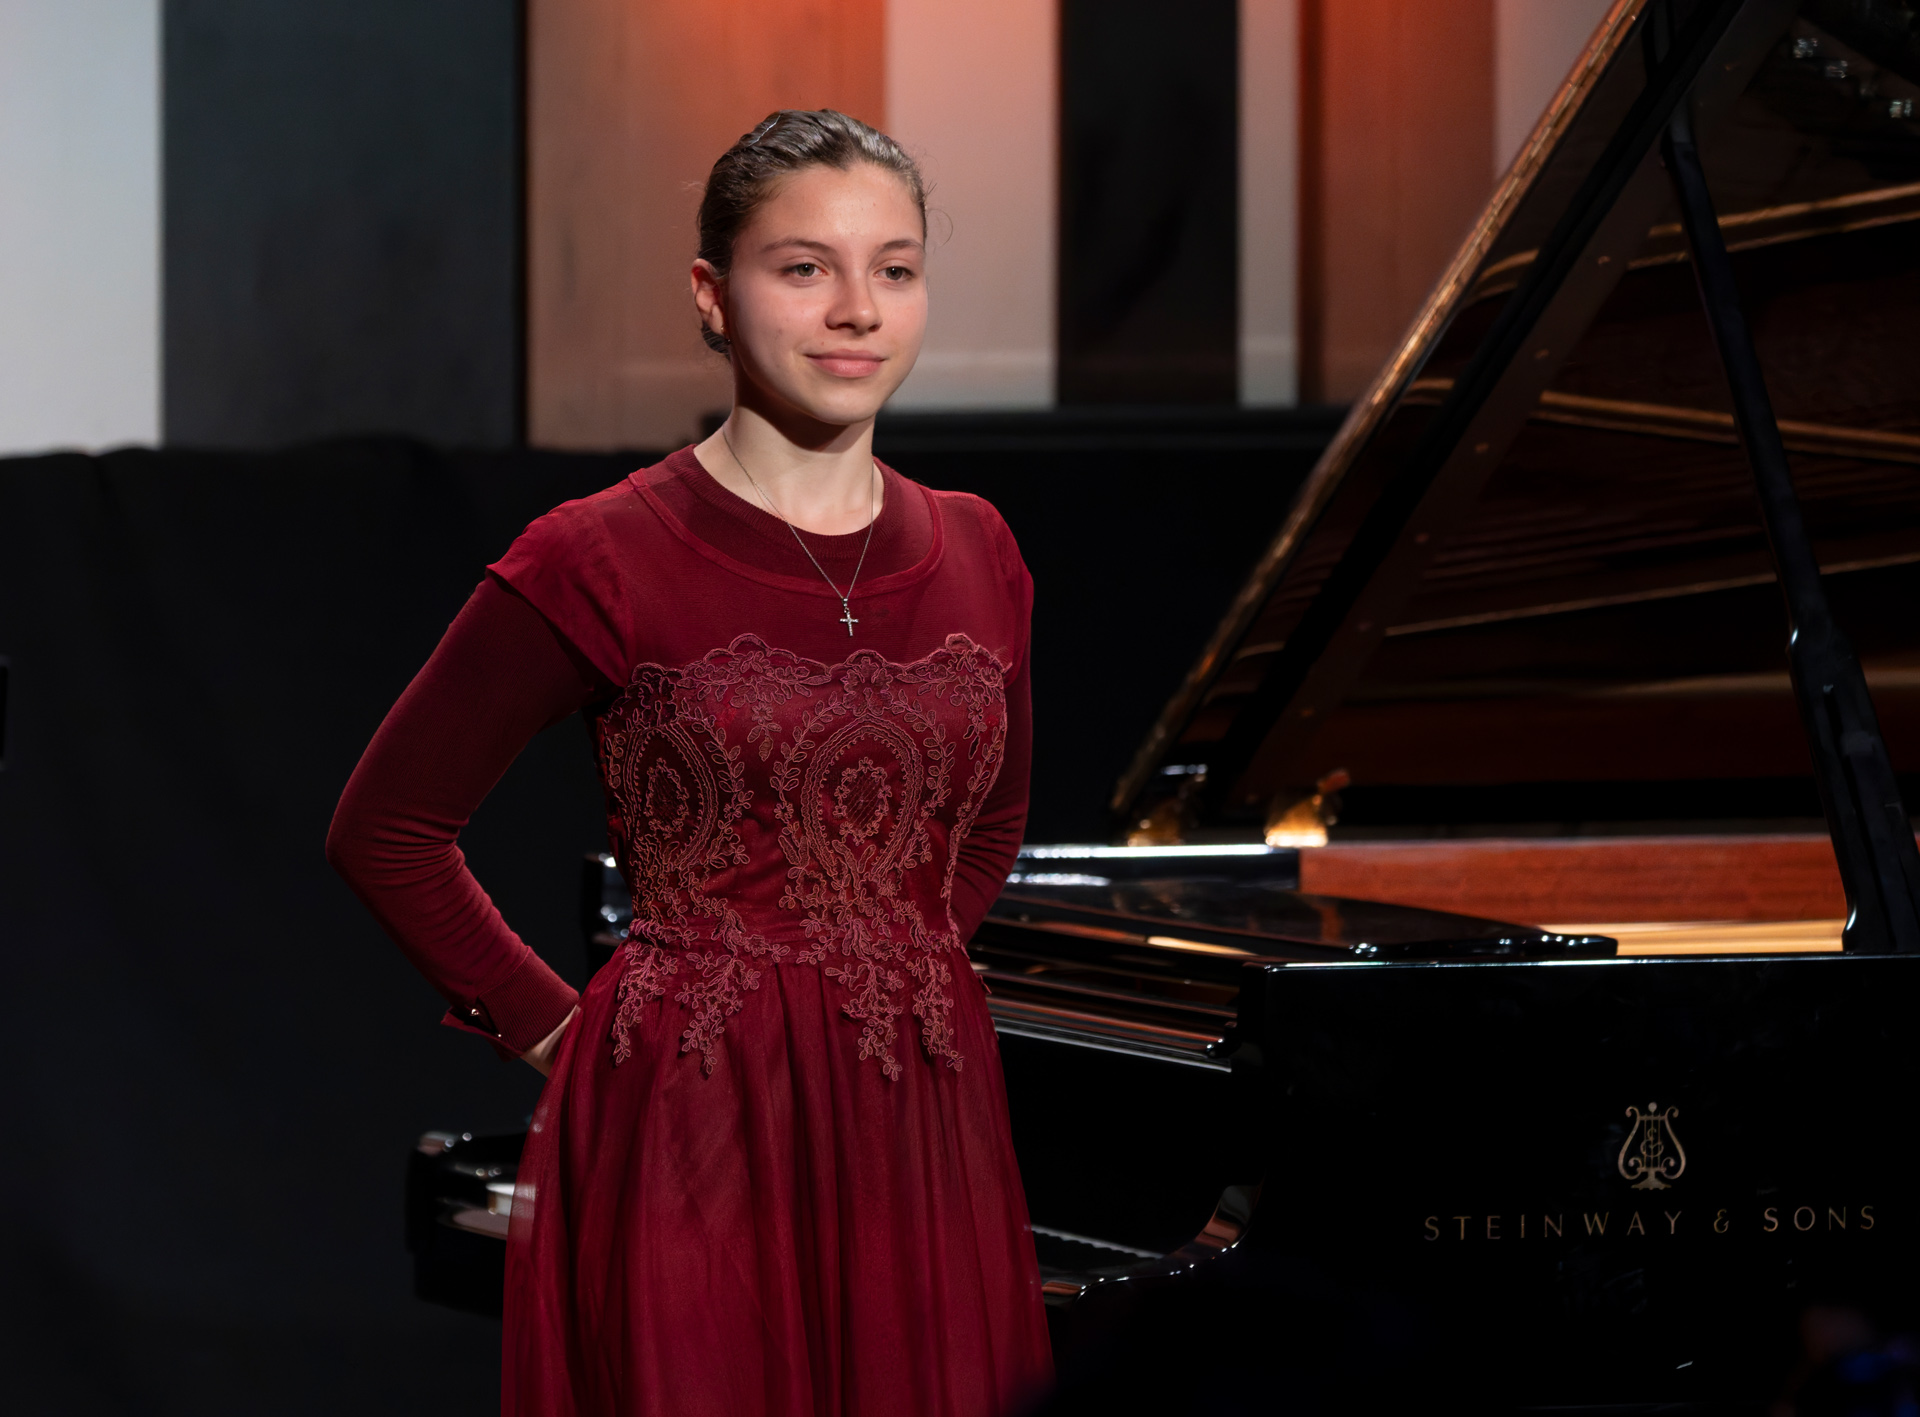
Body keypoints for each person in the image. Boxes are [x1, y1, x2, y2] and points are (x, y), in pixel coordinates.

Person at [326, 109, 1053, 1416]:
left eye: (894, 268)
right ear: (713, 296)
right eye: (804, 267)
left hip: (922, 1122)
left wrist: (894, 976)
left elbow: (990, 819)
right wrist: (567, 1033)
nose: (857, 309)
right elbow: (388, 827)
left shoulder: (981, 545)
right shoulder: (599, 552)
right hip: (692, 1116)